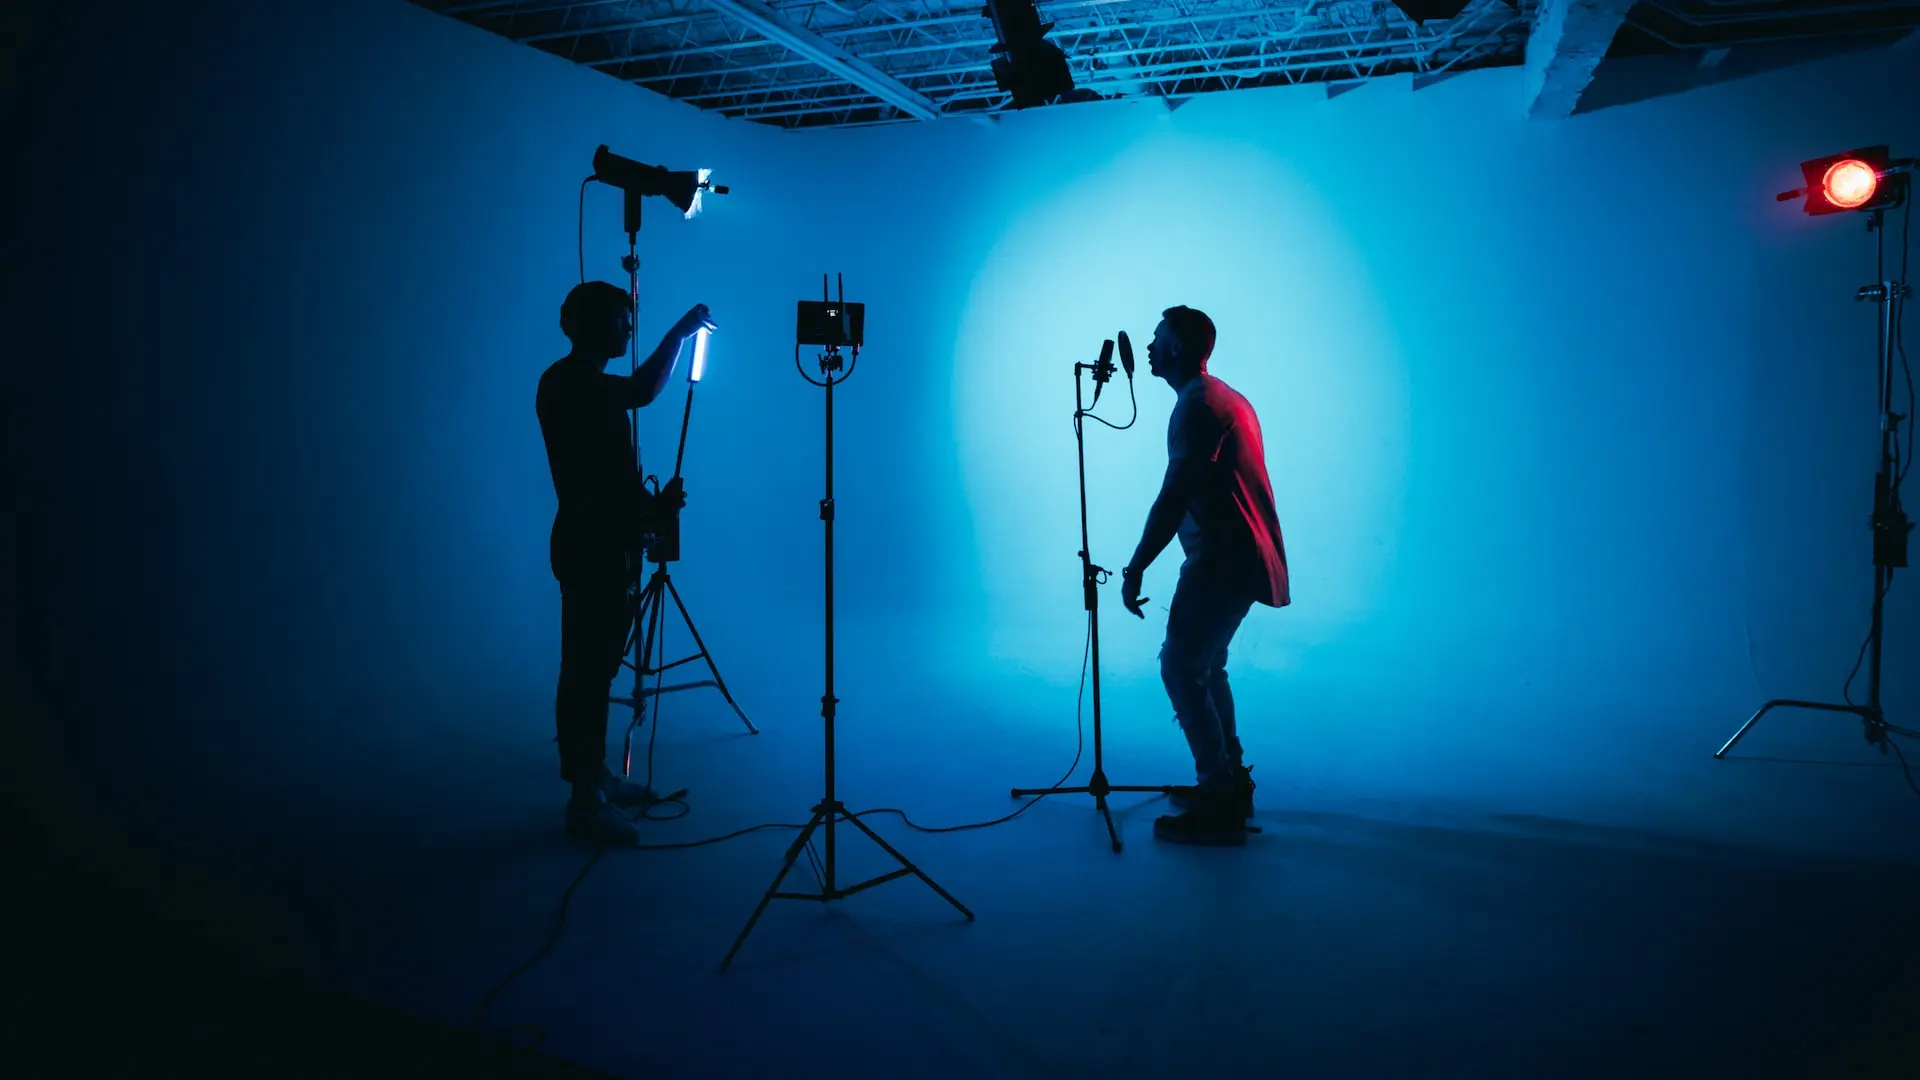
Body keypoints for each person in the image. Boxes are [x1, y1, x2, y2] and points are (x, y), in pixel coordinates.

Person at [536, 281, 714, 845]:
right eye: (622, 318)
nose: (629, 330)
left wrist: (650, 509)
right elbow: (642, 390)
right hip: (590, 547)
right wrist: (681, 334)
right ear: (589, 323)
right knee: (587, 672)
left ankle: (596, 777)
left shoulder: (582, 385)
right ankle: (584, 801)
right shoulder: (569, 382)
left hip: (607, 545)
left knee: (599, 668)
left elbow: (607, 471)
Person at [1119, 306, 1289, 846]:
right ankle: (1229, 780)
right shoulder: (1221, 398)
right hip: (1236, 555)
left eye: (1156, 337)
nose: (1148, 345)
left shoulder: (1197, 406)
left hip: (1223, 557)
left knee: (1180, 666)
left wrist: (1136, 565)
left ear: (1176, 347)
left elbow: (1173, 498)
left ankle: (1219, 796)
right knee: (1207, 667)